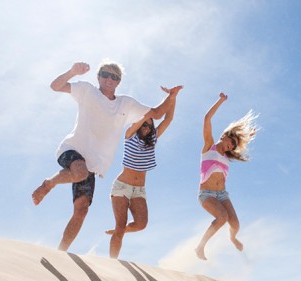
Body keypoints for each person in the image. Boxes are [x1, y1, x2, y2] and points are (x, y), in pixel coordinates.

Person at [31, 60, 181, 252]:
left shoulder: (125, 103)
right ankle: (49, 184)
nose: (110, 79)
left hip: (93, 166)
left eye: (115, 76)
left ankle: (61, 252)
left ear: (118, 82)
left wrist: (172, 96)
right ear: (99, 76)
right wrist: (72, 71)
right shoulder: (87, 90)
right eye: (106, 74)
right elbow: (55, 86)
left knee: (82, 209)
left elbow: (158, 114)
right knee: (80, 172)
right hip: (72, 149)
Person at [106, 86, 181, 259]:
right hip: (122, 187)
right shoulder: (130, 134)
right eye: (144, 123)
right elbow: (149, 115)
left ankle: (119, 230)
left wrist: (173, 97)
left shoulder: (152, 140)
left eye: (150, 125)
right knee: (121, 224)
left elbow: (169, 119)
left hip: (139, 190)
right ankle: (111, 262)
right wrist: (150, 114)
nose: (147, 127)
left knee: (141, 224)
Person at [195, 93, 258, 260]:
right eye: (231, 141)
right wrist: (220, 101)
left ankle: (232, 238)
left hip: (222, 195)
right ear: (224, 136)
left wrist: (247, 137)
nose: (232, 145)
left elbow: (238, 146)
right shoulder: (209, 147)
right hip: (207, 194)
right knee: (222, 217)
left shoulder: (227, 157)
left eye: (234, 145)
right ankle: (200, 247)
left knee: (235, 224)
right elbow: (207, 118)